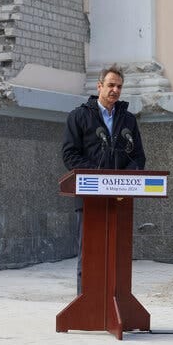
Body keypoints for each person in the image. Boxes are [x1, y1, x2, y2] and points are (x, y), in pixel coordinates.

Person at [62, 63, 146, 293]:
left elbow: (138, 156)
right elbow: (69, 154)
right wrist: (97, 177)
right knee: (90, 252)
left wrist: (125, 181)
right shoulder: (79, 116)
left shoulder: (128, 120)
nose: (115, 90)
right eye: (110, 85)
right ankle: (86, 302)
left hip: (120, 198)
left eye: (119, 86)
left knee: (117, 253)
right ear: (99, 86)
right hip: (90, 198)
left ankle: (116, 300)